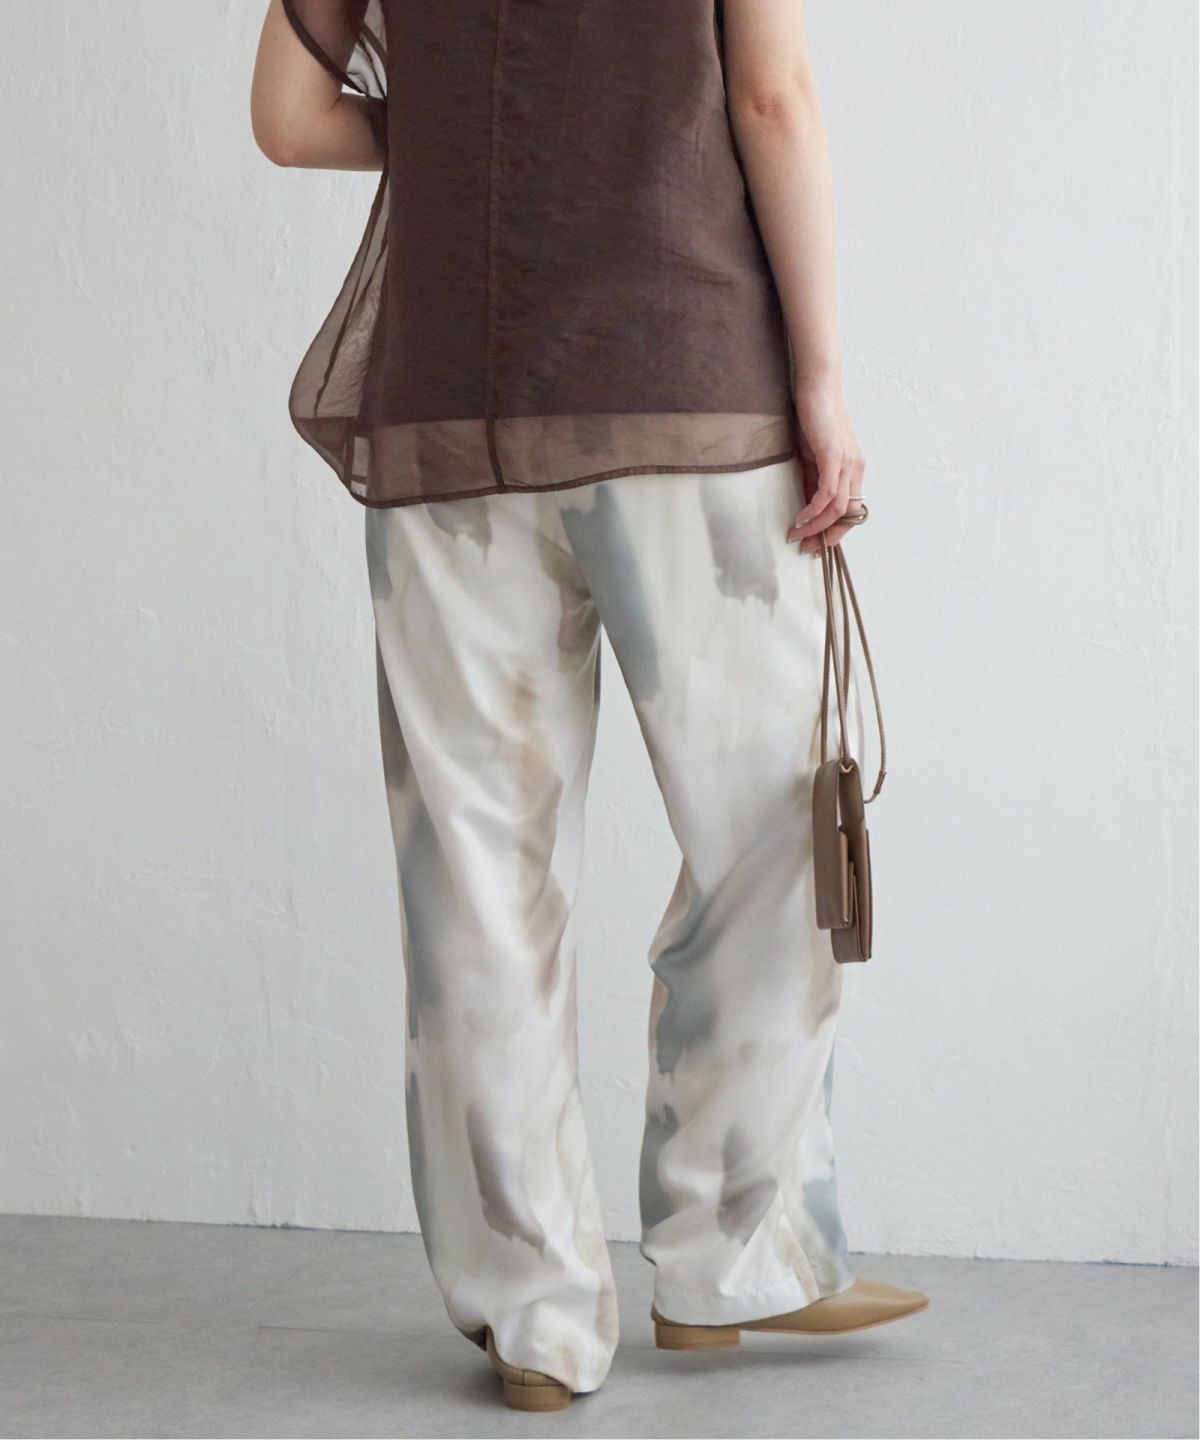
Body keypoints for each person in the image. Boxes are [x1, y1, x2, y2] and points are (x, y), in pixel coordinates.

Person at [251, 0, 926, 1413]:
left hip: (447, 413)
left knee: (476, 885)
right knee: (775, 834)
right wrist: (822, 382)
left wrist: (476, 132)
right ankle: (733, 1250)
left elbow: (291, 121)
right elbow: (773, 100)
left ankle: (537, 1321)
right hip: (685, 390)